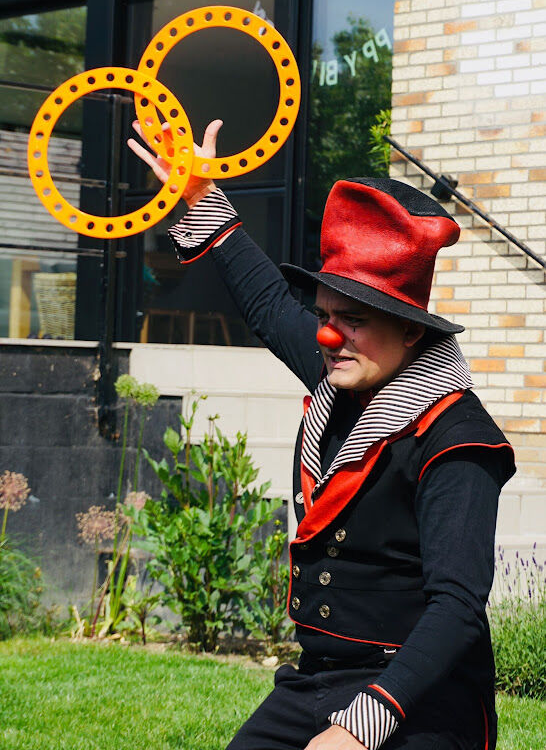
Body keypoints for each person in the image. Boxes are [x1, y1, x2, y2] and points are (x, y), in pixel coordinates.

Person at [129, 120, 515, 750]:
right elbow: (264, 301)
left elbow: (457, 611)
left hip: (423, 696)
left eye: (354, 321)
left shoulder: (458, 441)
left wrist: (360, 728)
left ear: (412, 330)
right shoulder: (342, 373)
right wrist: (198, 194)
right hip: (316, 685)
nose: (329, 337)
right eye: (326, 317)